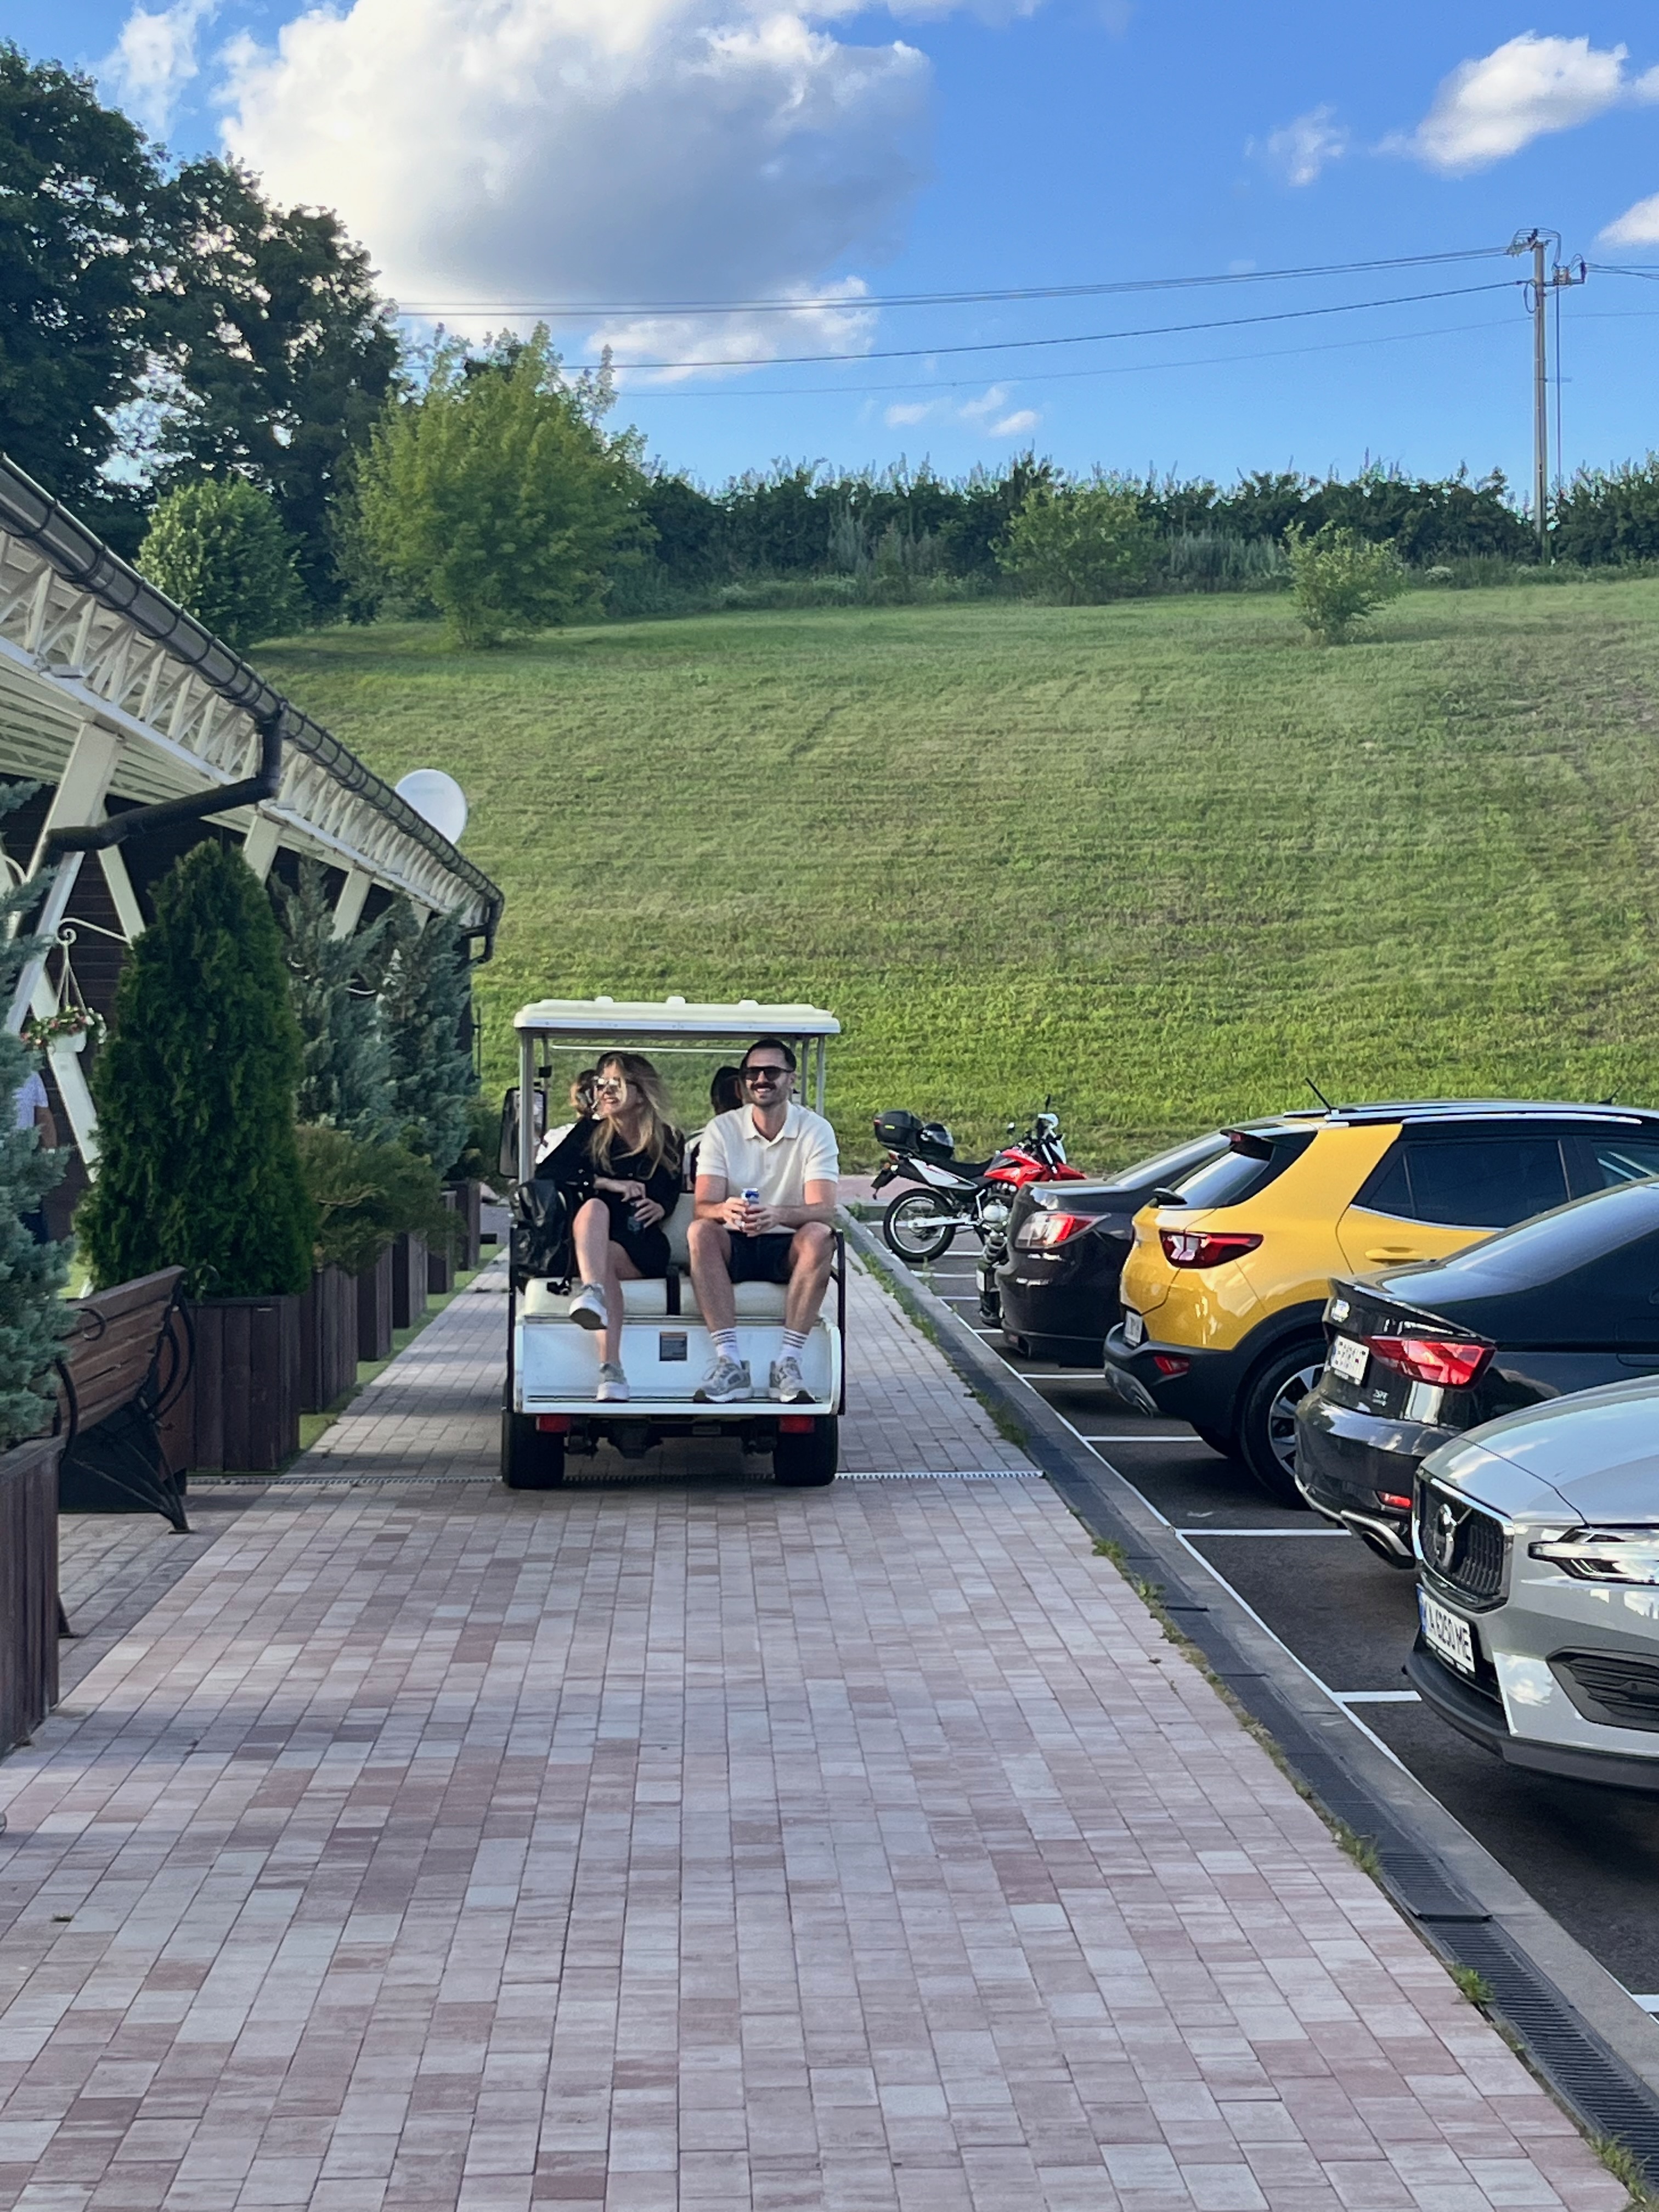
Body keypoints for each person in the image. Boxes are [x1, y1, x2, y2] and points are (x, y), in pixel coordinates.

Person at [689, 1037, 838, 1405]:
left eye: (771, 1072)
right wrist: (725, 1210)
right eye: (752, 1073)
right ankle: (729, 1362)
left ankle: (788, 1361)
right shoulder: (722, 1128)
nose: (760, 1080)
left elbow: (824, 1208)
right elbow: (703, 1205)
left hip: (787, 1243)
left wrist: (778, 1214)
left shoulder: (815, 1129)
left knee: (820, 1235)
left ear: (791, 1079)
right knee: (700, 1231)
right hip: (735, 1239)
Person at [537, 1053, 682, 1402]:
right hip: (595, 1239)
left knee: (602, 1259)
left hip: (640, 1240)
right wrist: (605, 1183)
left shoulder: (666, 1138)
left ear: (641, 1093)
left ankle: (600, 1319)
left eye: (615, 1084)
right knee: (594, 1210)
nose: (605, 1091)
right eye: (601, 1084)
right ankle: (609, 1360)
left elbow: (672, 1187)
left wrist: (661, 1205)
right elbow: (548, 1174)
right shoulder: (591, 1132)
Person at [13, 1063, 56, 1245]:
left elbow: (44, 1116)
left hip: (22, 1161)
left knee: (29, 1218)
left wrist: (51, 1155)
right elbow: (44, 1116)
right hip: (21, 1160)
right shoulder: (29, 1073)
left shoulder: (30, 1074)